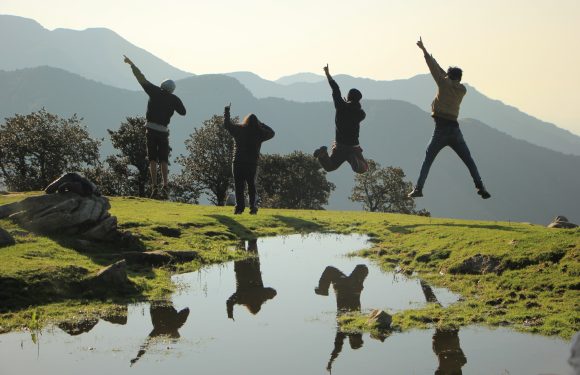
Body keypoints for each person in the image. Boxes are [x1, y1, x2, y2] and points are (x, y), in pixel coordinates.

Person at [408, 38, 490, 200]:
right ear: (460, 78)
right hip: (455, 130)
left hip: (440, 129)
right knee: (468, 160)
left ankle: (418, 188)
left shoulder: (443, 84)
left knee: (428, 159)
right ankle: (480, 186)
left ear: (448, 76)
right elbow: (444, 75)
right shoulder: (462, 89)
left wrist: (424, 50)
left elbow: (434, 69)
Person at [123, 55, 186, 199]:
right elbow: (183, 112)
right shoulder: (174, 99)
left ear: (162, 85)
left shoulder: (153, 91)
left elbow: (141, 78)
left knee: (152, 159)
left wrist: (131, 63)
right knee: (163, 159)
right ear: (172, 89)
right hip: (163, 132)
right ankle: (165, 185)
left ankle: (154, 186)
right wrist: (174, 102)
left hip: (150, 130)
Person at [313, 64, 368, 174]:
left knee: (330, 167)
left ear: (348, 97)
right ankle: (354, 158)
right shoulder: (360, 113)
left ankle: (323, 155)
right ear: (358, 100)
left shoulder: (340, 106)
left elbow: (335, 88)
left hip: (340, 146)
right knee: (364, 168)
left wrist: (327, 74)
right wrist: (353, 105)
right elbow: (359, 114)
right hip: (353, 146)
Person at [315, 264, 368, 372]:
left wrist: (331, 361)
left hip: (345, 286)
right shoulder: (358, 327)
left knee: (331, 269)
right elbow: (338, 348)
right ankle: (323, 290)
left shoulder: (345, 330)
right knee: (362, 268)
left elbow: (337, 348)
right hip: (347, 285)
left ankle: (323, 290)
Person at [223, 104, 275, 215]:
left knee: (239, 186)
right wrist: (261, 124)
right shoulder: (260, 133)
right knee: (251, 186)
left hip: (238, 162)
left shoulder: (239, 129)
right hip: (252, 164)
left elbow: (227, 125)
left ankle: (239, 208)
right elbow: (272, 132)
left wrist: (226, 111)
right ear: (257, 123)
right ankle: (253, 207)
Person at [226, 239, 277, 319]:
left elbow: (274, 292)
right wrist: (230, 314)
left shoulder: (260, 296)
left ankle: (248, 233)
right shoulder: (242, 298)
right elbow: (229, 302)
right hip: (243, 268)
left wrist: (264, 297)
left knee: (249, 242)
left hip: (251, 266)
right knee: (242, 243)